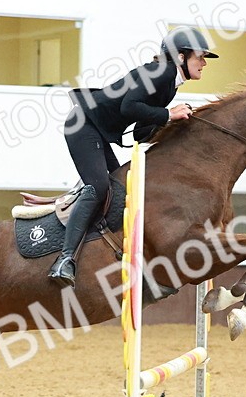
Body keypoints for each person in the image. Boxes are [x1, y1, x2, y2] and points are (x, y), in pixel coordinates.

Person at [47, 26, 217, 287]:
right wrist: (167, 115)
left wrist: (171, 125)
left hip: (97, 129)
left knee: (119, 188)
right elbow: (129, 107)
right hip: (83, 124)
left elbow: (139, 133)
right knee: (100, 186)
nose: (204, 63)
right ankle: (64, 259)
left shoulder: (168, 83)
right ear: (181, 56)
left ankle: (98, 251)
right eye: (200, 56)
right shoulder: (161, 73)